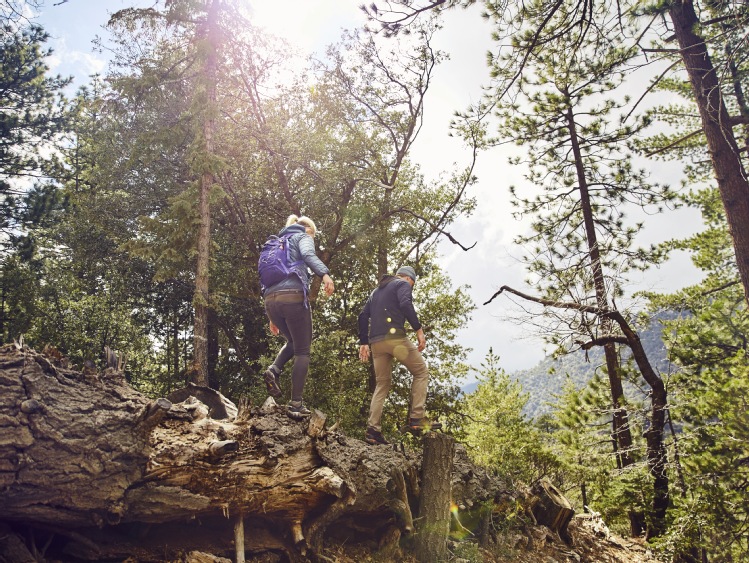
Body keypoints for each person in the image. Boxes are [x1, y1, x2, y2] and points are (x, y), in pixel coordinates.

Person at [261, 214, 334, 419]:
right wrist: (325, 274)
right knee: (303, 350)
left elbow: (270, 277)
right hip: (292, 296)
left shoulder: (278, 242)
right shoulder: (303, 237)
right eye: (313, 234)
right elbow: (309, 257)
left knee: (293, 342)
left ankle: (274, 370)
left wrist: (271, 317)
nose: (313, 238)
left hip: (270, 301)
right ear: (308, 229)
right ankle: (296, 404)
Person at [358, 265, 441, 445]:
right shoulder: (402, 285)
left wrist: (364, 341)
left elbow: (363, 316)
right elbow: (405, 303)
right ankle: (417, 417)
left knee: (382, 384)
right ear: (409, 279)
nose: (410, 288)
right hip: (395, 339)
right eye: (412, 285)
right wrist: (419, 330)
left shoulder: (375, 292)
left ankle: (373, 430)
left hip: (376, 343)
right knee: (421, 372)